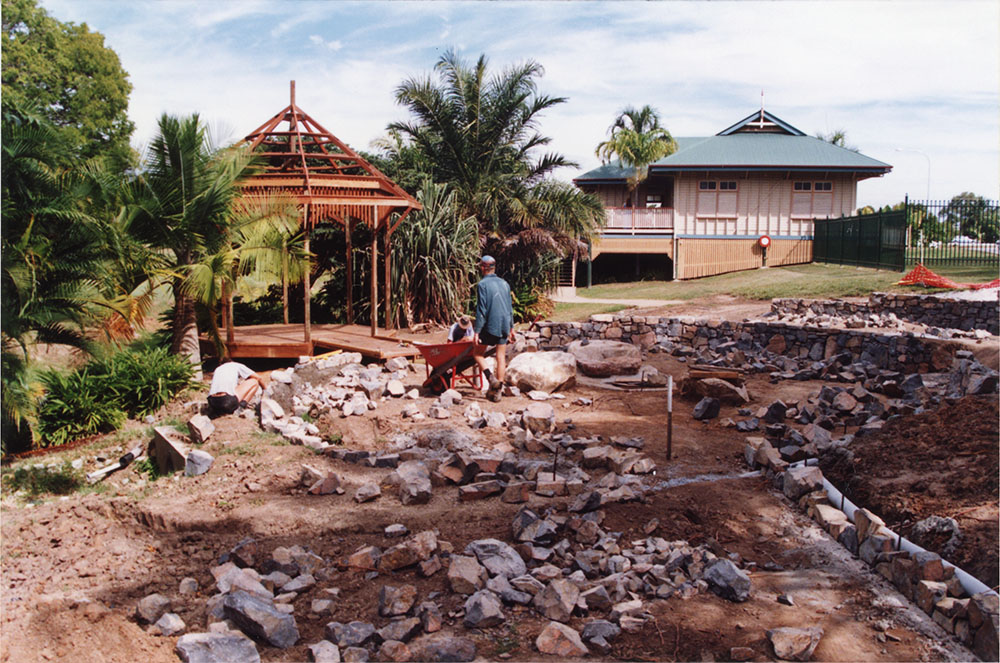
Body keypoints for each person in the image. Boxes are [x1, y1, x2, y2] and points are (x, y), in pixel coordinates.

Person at [471, 255, 514, 402]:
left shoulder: (482, 285)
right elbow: (509, 308)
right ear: (494, 267)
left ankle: (491, 380)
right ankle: (497, 393)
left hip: (490, 325)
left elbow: (481, 310)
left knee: (477, 354)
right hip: (504, 325)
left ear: (483, 268)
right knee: (500, 357)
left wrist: (477, 331)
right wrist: (511, 328)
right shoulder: (504, 283)